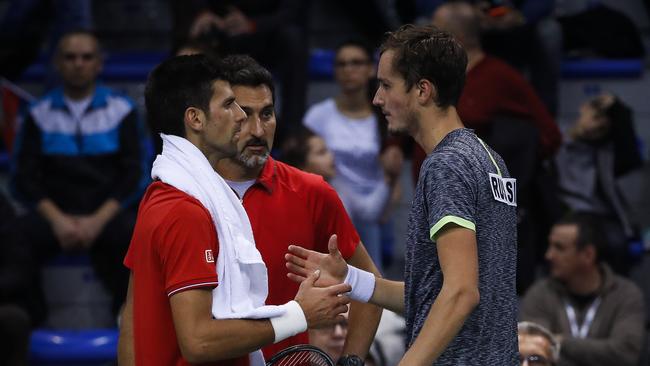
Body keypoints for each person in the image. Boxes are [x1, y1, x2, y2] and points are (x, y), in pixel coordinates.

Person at [287, 24, 518, 365]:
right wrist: (351, 278)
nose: (377, 98)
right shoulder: (487, 158)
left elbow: (461, 293)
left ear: (422, 90)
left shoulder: (446, 165)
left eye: (385, 85)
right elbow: (433, 295)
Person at [118, 55, 351, 365]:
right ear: (196, 119)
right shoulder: (186, 211)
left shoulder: (160, 194)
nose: (241, 117)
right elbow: (198, 342)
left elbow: (134, 320)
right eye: (229, 105)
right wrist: (298, 314)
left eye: (264, 112)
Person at [212, 54, 382, 360]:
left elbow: (371, 289)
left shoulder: (312, 192)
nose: (258, 130)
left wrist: (351, 360)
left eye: (266, 114)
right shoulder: (186, 195)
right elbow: (139, 308)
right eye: (244, 115)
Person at [11, 29, 146, 318]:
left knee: (136, 235)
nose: (78, 63)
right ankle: (28, 322)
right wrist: (59, 221)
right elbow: (24, 178)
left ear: (99, 63)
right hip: (55, 215)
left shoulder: (122, 111)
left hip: (107, 216)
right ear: (57, 63)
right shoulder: (38, 113)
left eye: (87, 57)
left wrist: (96, 222)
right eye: (70, 57)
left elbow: (134, 175)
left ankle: (127, 322)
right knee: (14, 237)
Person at [303, 39, 403, 272]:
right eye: (342, 64)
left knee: (372, 266)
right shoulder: (319, 115)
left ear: (371, 69)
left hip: (375, 206)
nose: (349, 70)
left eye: (356, 63)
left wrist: (385, 210)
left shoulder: (385, 116)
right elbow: (306, 165)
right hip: (336, 204)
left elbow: (394, 175)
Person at [520, 213, 646, 366]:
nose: (549, 255)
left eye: (559, 248)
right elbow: (535, 352)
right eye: (550, 245)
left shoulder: (625, 295)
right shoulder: (540, 294)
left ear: (588, 255)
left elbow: (625, 354)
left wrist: (560, 342)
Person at [555, 94, 643, 274]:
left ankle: (612, 297)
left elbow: (630, 153)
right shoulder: (555, 137)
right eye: (595, 118)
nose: (595, 127)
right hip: (564, 211)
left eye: (603, 126)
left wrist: (618, 108)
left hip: (598, 216)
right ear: (583, 109)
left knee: (617, 243)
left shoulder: (605, 151)